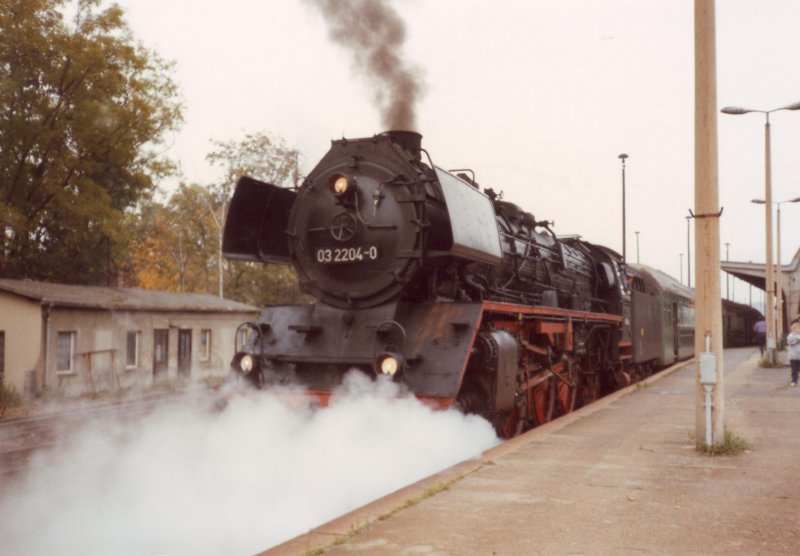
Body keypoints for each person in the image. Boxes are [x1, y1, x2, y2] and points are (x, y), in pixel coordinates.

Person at [786, 322, 800, 387]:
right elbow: (791, 342)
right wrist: (798, 340)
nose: (794, 329)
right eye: (793, 328)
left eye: (796, 328)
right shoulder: (790, 336)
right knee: (794, 369)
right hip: (793, 356)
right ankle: (794, 381)